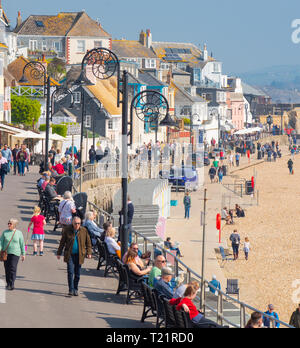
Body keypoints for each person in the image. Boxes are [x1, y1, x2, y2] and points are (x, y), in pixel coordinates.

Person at [57, 217, 92, 297]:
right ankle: (71, 289)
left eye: (79, 223)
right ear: (72, 223)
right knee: (70, 272)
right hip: (70, 255)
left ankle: (75, 289)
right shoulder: (67, 230)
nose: (77, 225)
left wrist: (89, 252)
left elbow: (88, 243)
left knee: (77, 274)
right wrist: (59, 253)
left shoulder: (84, 231)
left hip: (79, 255)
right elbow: (62, 242)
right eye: (75, 223)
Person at [0, 219, 25, 290]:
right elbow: (1, 242)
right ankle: (8, 283)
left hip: (15, 253)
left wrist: (23, 254)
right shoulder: (5, 232)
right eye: (8, 223)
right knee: (7, 268)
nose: (8, 225)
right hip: (6, 253)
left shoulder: (19, 233)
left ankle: (12, 283)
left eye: (10, 224)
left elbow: (22, 244)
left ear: (14, 225)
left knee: (13, 268)